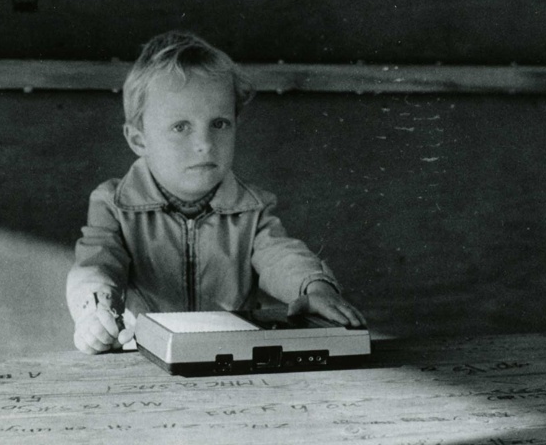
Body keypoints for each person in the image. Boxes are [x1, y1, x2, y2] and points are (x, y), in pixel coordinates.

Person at [67, 30, 366, 354]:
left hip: (230, 357)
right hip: (144, 357)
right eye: (181, 127)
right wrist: (95, 312)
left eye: (219, 124)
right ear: (139, 140)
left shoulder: (251, 209)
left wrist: (316, 287)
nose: (205, 144)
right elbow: (95, 265)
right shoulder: (113, 205)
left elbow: (281, 255)